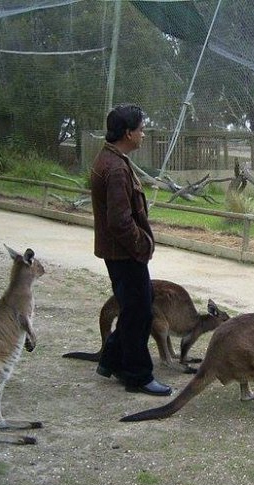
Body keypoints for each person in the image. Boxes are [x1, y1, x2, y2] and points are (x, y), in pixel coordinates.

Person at [90, 104, 172, 396]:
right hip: (125, 254)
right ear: (128, 133)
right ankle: (138, 376)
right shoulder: (115, 169)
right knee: (139, 313)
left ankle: (111, 359)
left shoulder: (112, 160)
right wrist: (143, 247)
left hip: (120, 253)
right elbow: (120, 222)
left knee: (136, 306)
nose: (143, 134)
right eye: (140, 129)